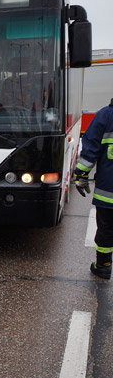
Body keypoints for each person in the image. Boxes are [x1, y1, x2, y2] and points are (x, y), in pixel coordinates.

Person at [74, 98, 113, 279]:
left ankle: (103, 266)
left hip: (108, 192)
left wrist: (81, 175)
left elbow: (90, 149)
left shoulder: (105, 115)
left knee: (106, 229)